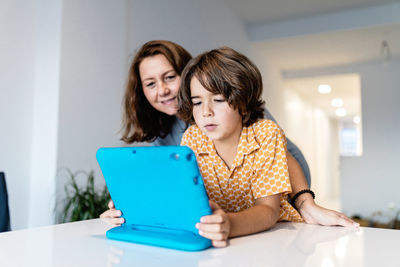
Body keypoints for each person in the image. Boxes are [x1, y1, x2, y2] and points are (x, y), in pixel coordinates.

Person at [100, 40, 358, 230]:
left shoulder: (250, 120)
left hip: (285, 182)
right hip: (229, 210)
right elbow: (173, 185)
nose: (163, 90)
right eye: (151, 83)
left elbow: (279, 159)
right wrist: (130, 206)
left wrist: (304, 202)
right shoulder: (178, 134)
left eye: (169, 77)